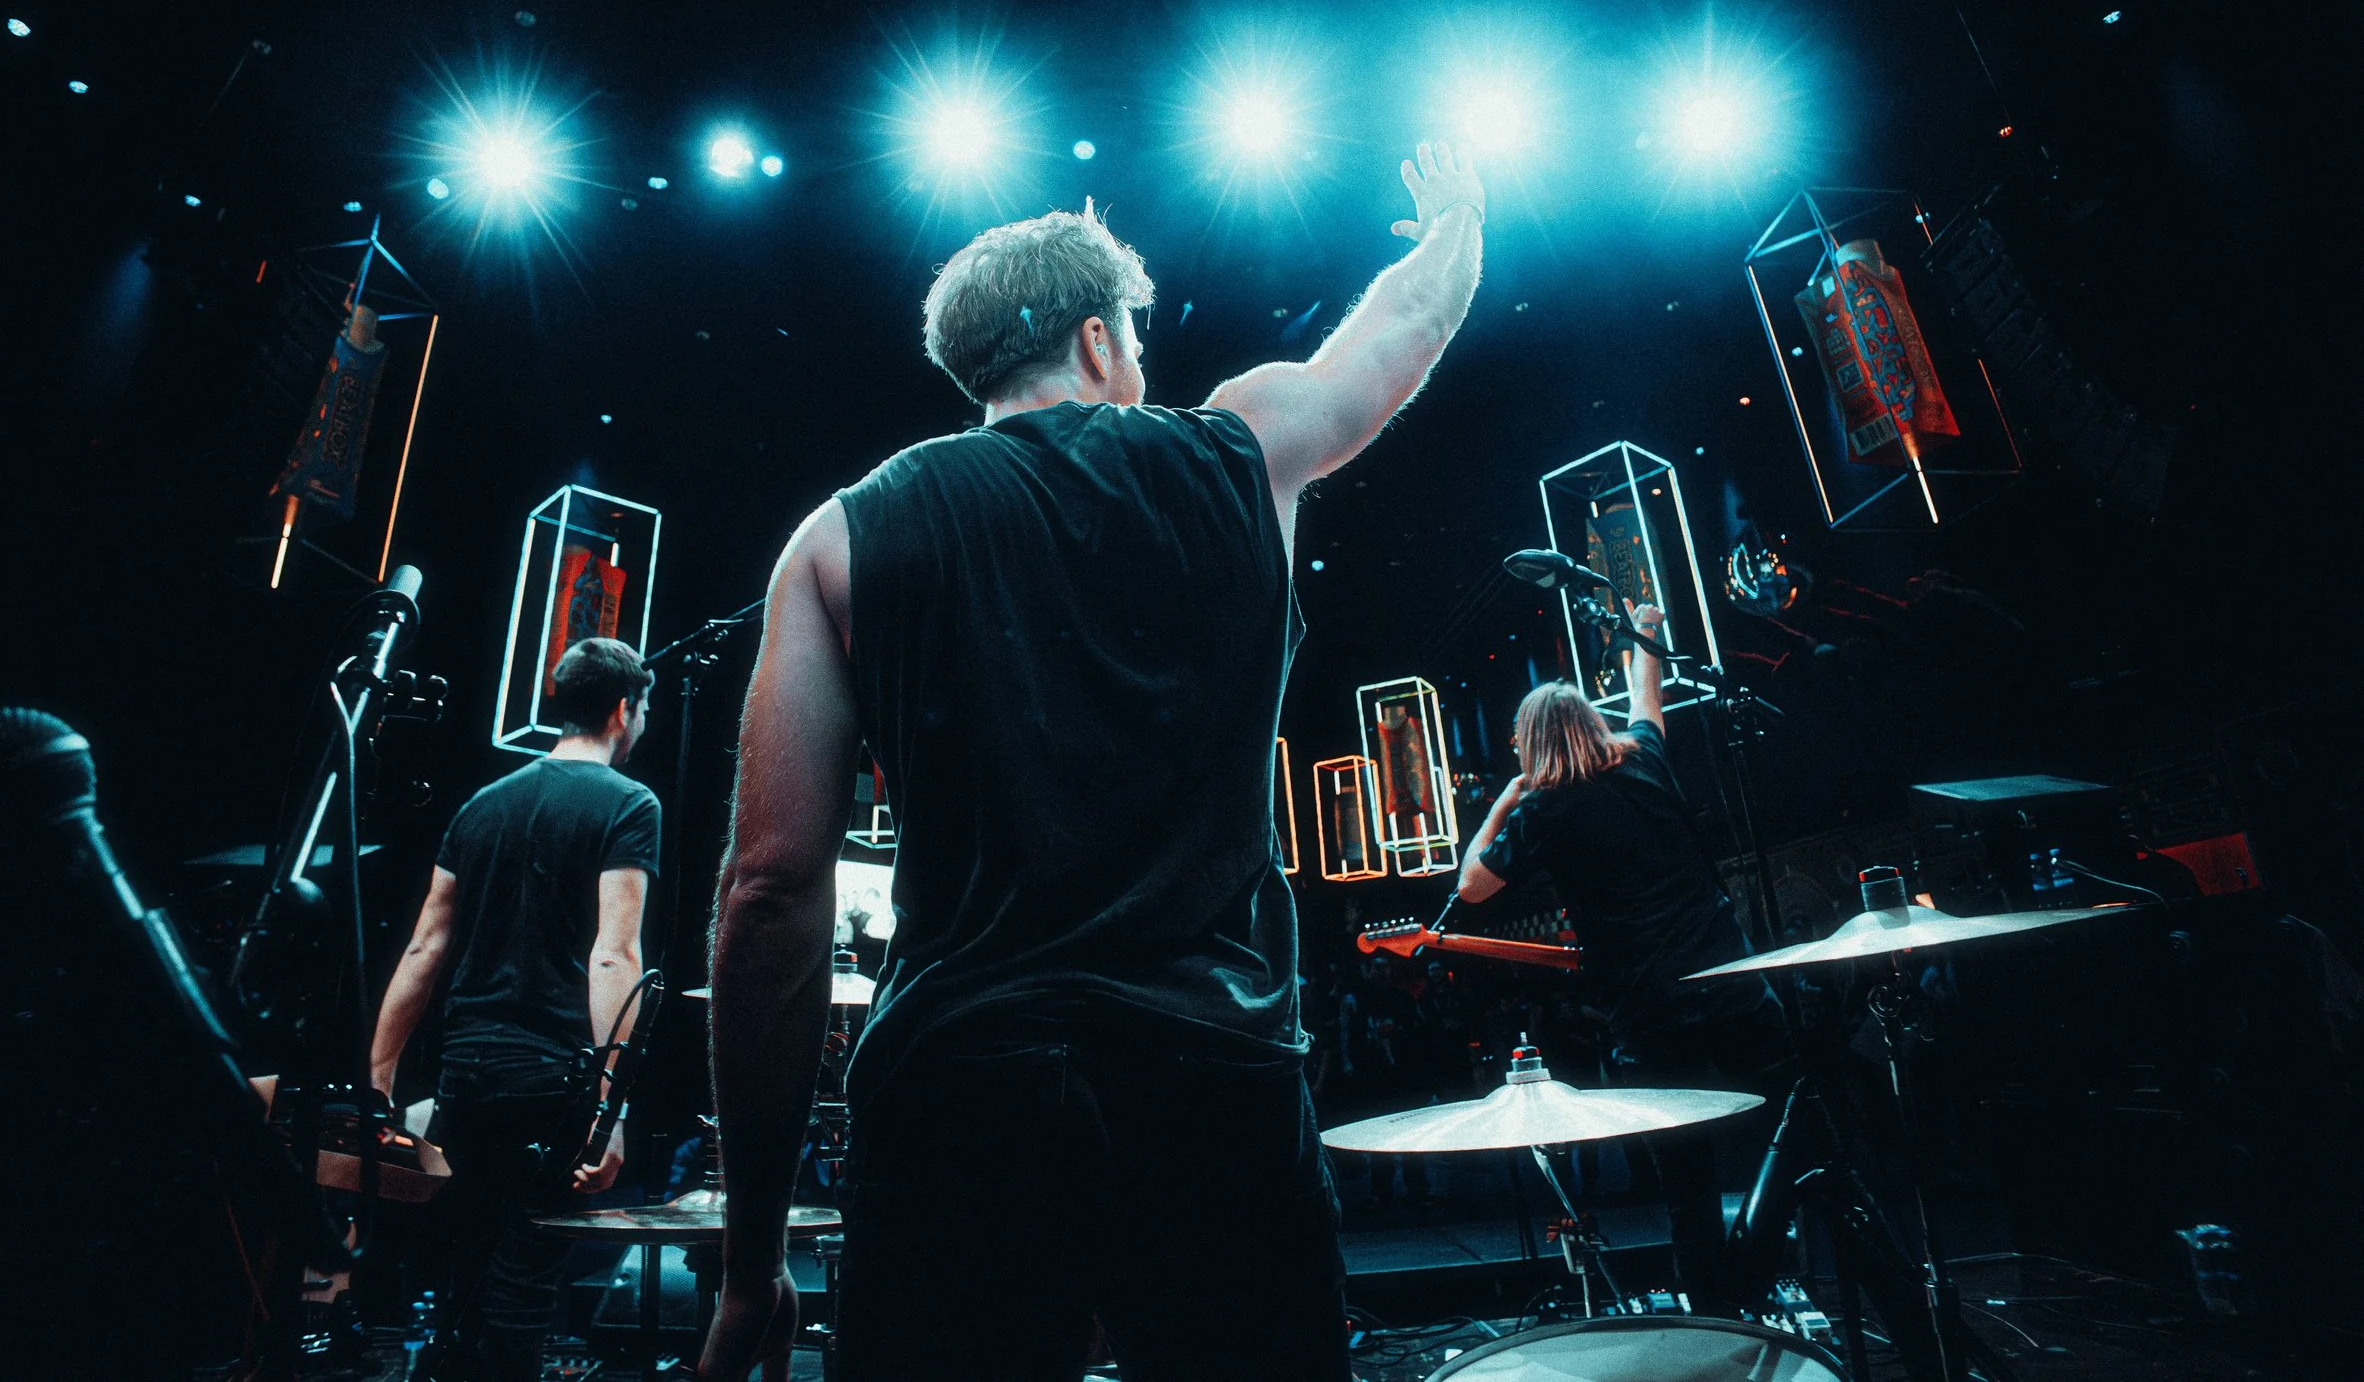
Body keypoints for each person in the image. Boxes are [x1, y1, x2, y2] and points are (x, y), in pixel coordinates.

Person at [700, 147, 1486, 1382]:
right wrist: (1455, 221)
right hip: (1212, 1087)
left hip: (960, 1094)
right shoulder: (1240, 449)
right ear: (1098, 339)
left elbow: (770, 892)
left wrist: (753, 1260)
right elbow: (1401, 329)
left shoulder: (839, 535)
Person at [1455, 603, 1789, 1311]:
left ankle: (1716, 1319)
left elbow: (1471, 884)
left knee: (1686, 1186)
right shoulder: (1646, 757)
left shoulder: (1543, 806)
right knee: (1799, 1124)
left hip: (1651, 1009)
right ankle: (1769, 1255)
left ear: (1533, 744)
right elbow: (1647, 694)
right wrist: (1648, 630)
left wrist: (1507, 798)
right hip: (1730, 981)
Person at [368, 636, 661, 1381]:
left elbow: (423, 949)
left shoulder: (483, 803)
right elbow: (612, 955)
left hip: (466, 1068)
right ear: (625, 709)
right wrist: (611, 1106)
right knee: (525, 1286)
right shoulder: (631, 803)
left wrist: (377, 1084)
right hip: (551, 1080)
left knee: (467, 1277)